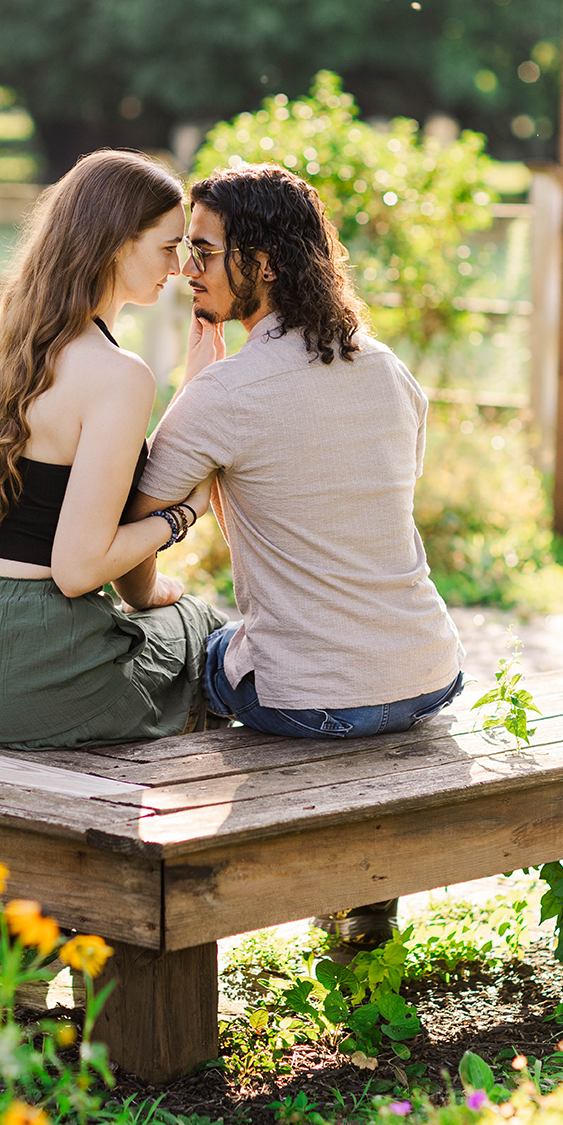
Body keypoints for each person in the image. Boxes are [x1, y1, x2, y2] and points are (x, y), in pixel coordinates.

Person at [131, 162, 465, 740]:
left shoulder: (225, 392)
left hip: (309, 701)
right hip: (430, 674)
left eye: (205, 252)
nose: (187, 269)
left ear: (263, 264)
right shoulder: (390, 369)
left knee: (192, 639)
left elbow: (135, 526)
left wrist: (150, 593)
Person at [0, 150, 224, 750]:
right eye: (167, 246)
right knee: (205, 631)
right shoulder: (117, 374)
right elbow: (78, 570)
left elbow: (98, 535)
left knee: (165, 619)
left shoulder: (21, 344)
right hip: (23, 664)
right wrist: (181, 516)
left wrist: (193, 391)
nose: (182, 266)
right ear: (113, 245)